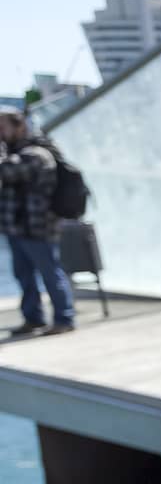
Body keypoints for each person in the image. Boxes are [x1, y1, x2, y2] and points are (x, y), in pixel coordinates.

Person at [0, 106, 76, 336]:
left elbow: (6, 171)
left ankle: (64, 318)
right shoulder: (19, 153)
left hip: (39, 227)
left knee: (50, 273)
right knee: (23, 275)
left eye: (2, 127)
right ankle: (33, 319)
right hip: (18, 227)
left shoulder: (36, 154)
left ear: (19, 126)